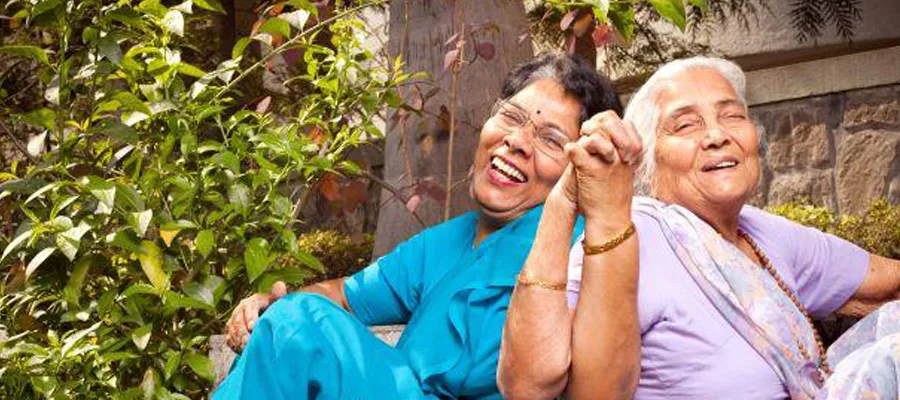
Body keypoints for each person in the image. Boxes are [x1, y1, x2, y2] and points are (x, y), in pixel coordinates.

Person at [214, 52, 624, 400]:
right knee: (288, 321)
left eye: (551, 139)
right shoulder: (445, 242)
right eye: (511, 117)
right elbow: (341, 294)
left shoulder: (586, 248)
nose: (517, 140)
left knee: (295, 322)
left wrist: (289, 317)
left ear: (578, 167)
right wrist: (267, 305)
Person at [500, 56, 900, 400]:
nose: (717, 135)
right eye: (685, 125)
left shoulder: (760, 232)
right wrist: (564, 201)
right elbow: (535, 387)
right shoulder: (634, 233)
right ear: (646, 163)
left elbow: (888, 281)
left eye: (732, 116)